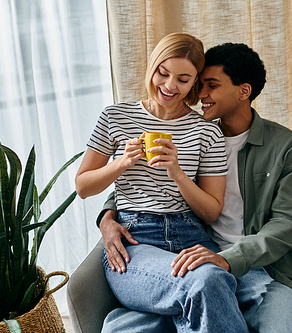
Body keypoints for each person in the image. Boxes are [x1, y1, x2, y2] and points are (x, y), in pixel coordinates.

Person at [99, 42, 292, 332]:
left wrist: (229, 259)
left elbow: (288, 222)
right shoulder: (192, 136)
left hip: (264, 269)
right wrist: (107, 218)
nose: (200, 95)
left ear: (243, 91)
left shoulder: (284, 146)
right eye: (199, 85)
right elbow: (143, 184)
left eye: (210, 85)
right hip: (191, 253)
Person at [75, 33, 249, 333]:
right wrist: (121, 163)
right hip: (135, 241)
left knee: (209, 281)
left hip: (191, 236)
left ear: (194, 83)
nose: (169, 86)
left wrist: (178, 173)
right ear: (152, 68)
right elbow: (83, 186)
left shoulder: (206, 132)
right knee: (207, 281)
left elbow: (211, 212)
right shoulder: (116, 117)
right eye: (163, 73)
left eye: (183, 79)